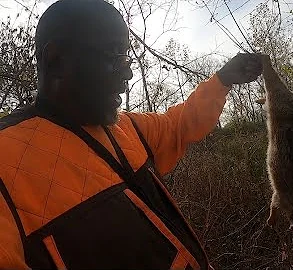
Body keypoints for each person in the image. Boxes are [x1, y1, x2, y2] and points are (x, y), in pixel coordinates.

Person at [0, 0, 262, 269]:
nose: (128, 72)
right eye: (113, 56)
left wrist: (222, 80)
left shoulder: (127, 128)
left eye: (126, 56)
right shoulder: (5, 160)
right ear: (56, 60)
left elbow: (181, 125)